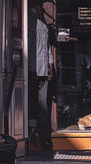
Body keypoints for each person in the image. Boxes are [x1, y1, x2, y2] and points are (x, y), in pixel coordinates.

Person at [28, 0, 54, 150]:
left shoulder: (43, 23)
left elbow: (47, 45)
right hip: (31, 69)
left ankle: (45, 139)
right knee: (34, 106)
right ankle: (35, 139)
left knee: (43, 106)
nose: (44, 9)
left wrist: (50, 62)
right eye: (42, 6)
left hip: (43, 70)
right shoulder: (28, 22)